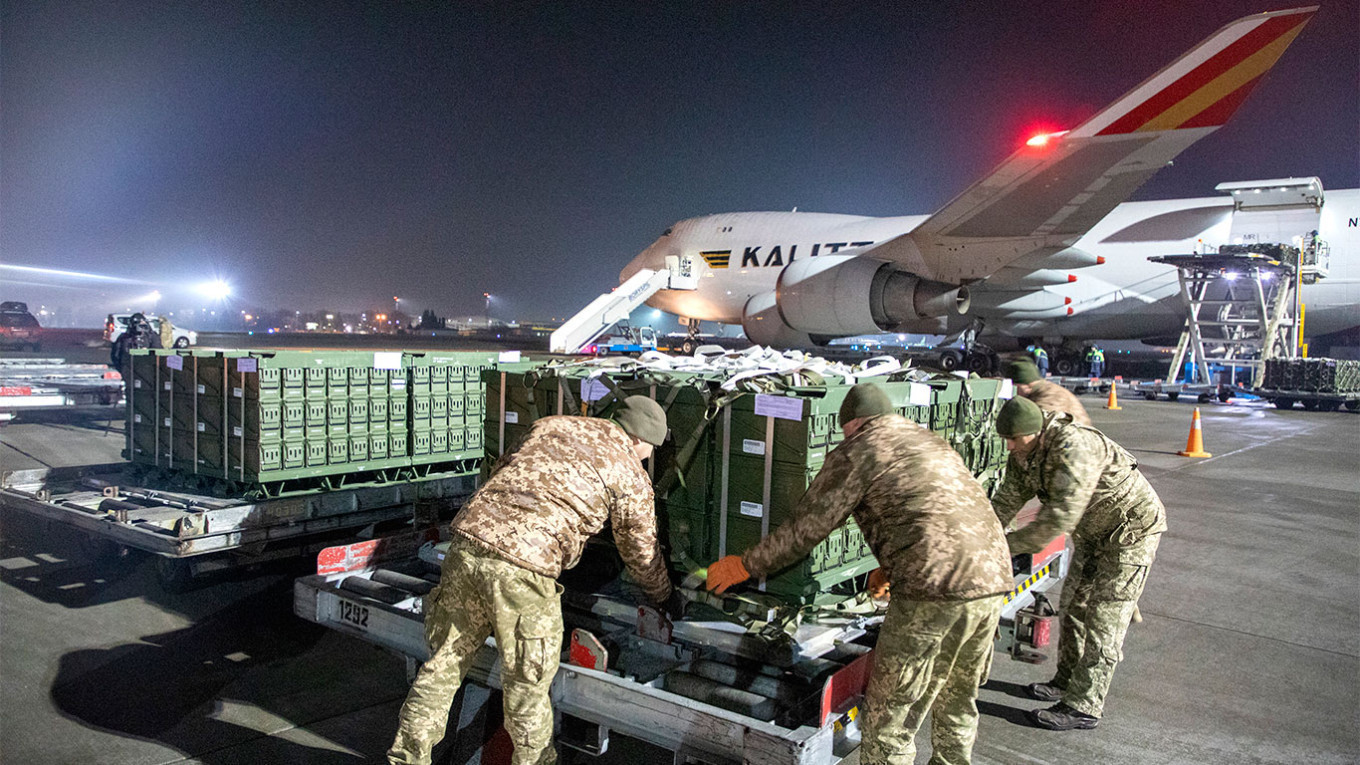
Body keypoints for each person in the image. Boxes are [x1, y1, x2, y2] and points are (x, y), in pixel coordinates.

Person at [704, 383, 1011, 765]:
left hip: (933, 591)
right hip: (993, 580)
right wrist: (891, 565)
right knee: (958, 699)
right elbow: (932, 510)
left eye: (845, 430)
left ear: (854, 424)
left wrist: (745, 564)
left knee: (890, 719)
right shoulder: (927, 440)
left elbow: (806, 530)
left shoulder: (860, 449)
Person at [387, 397, 675, 765]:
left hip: (467, 545)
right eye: (651, 447)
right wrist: (662, 595)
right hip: (524, 570)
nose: (649, 455)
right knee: (527, 687)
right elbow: (640, 551)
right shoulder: (628, 471)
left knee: (442, 667)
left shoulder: (551, 424)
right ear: (640, 438)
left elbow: (505, 469)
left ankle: (406, 758)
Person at [989, 397, 1166, 731]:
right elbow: (1005, 501)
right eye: (1006, 440)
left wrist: (1003, 548)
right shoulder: (1023, 453)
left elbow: (1054, 523)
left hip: (1129, 532)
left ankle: (1085, 706)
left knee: (1104, 620)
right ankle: (1066, 681)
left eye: (1015, 439)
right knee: (1072, 607)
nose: (1010, 446)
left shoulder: (1073, 448)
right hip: (1093, 534)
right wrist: (982, 538)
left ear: (1036, 432)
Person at [1007, 359, 1091, 427]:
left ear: (1026, 386)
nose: (1015, 392)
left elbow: (1036, 427)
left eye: (1015, 387)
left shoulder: (1048, 398)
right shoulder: (1046, 390)